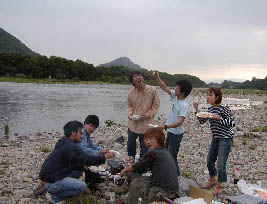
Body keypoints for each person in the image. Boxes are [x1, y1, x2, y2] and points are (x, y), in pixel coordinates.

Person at [39, 121, 114, 203]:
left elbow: (71, 161)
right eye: (80, 133)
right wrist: (104, 157)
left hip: (49, 177)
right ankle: (55, 197)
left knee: (78, 172)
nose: (82, 136)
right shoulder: (70, 146)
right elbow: (87, 159)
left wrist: (82, 166)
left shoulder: (64, 141)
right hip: (51, 181)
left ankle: (55, 189)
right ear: (73, 133)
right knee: (81, 187)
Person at [193, 87, 235, 195]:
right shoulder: (210, 109)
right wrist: (196, 110)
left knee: (221, 163)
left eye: (210, 95)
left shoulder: (223, 108)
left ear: (217, 97)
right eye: (207, 95)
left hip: (225, 139)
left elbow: (232, 123)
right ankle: (212, 180)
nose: (207, 97)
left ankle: (219, 185)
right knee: (210, 161)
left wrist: (219, 119)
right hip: (215, 138)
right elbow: (202, 121)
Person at [120, 128, 179, 204]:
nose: (148, 142)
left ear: (158, 139)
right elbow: (144, 166)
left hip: (163, 190)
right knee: (140, 177)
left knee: (135, 183)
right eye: (146, 139)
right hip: (173, 189)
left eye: (151, 139)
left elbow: (137, 166)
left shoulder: (153, 152)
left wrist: (124, 170)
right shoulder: (164, 150)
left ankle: (132, 201)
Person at [153, 71, 192, 176]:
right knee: (166, 153)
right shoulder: (175, 97)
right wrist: (157, 77)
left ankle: (177, 176)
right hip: (170, 131)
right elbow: (164, 87)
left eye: (177, 87)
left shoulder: (184, 105)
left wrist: (165, 126)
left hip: (176, 134)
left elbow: (179, 122)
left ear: (183, 91)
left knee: (172, 156)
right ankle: (169, 173)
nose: (175, 88)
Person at [127, 71, 160, 159]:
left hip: (146, 124)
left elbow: (155, 106)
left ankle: (143, 165)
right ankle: (130, 163)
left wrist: (146, 115)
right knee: (130, 145)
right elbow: (129, 106)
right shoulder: (131, 93)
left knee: (145, 147)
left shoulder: (152, 90)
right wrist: (130, 115)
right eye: (135, 76)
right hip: (133, 124)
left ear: (143, 78)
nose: (138, 78)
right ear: (132, 82)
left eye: (140, 76)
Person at [72, 115, 108, 190]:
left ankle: (95, 177)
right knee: (93, 159)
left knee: (97, 156)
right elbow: (84, 149)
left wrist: (101, 150)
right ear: (85, 124)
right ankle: (90, 182)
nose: (92, 129)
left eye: (94, 127)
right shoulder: (81, 134)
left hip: (79, 156)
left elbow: (92, 146)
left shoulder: (86, 134)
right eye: (91, 126)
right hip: (74, 159)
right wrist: (99, 152)